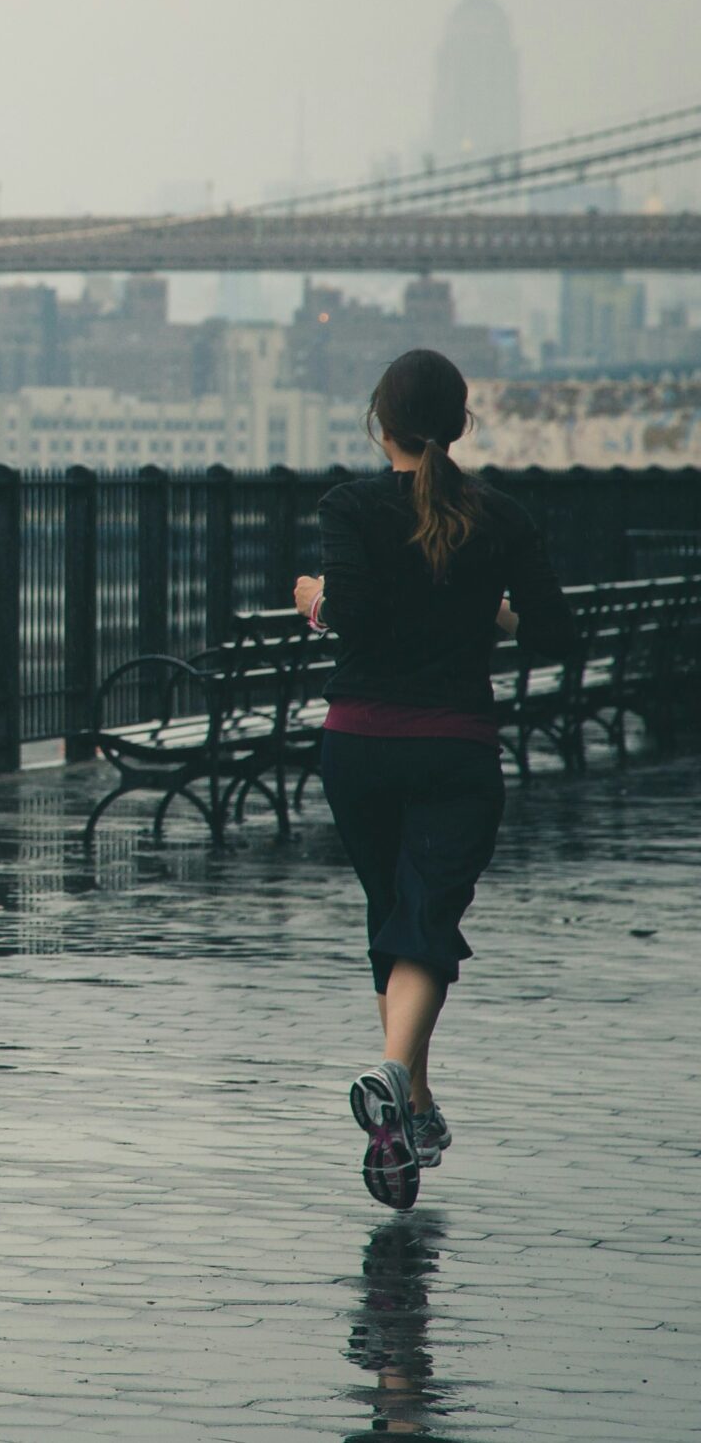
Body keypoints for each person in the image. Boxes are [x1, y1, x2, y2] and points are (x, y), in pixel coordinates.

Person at [292, 348, 576, 1210]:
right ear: (459, 423)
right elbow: (554, 636)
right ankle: (398, 1086)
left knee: (396, 918)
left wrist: (313, 597)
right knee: (425, 920)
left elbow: (359, 613)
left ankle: (411, 1107)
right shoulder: (500, 516)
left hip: (361, 744)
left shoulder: (350, 505)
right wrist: (490, 607)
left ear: (381, 423)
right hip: (455, 749)